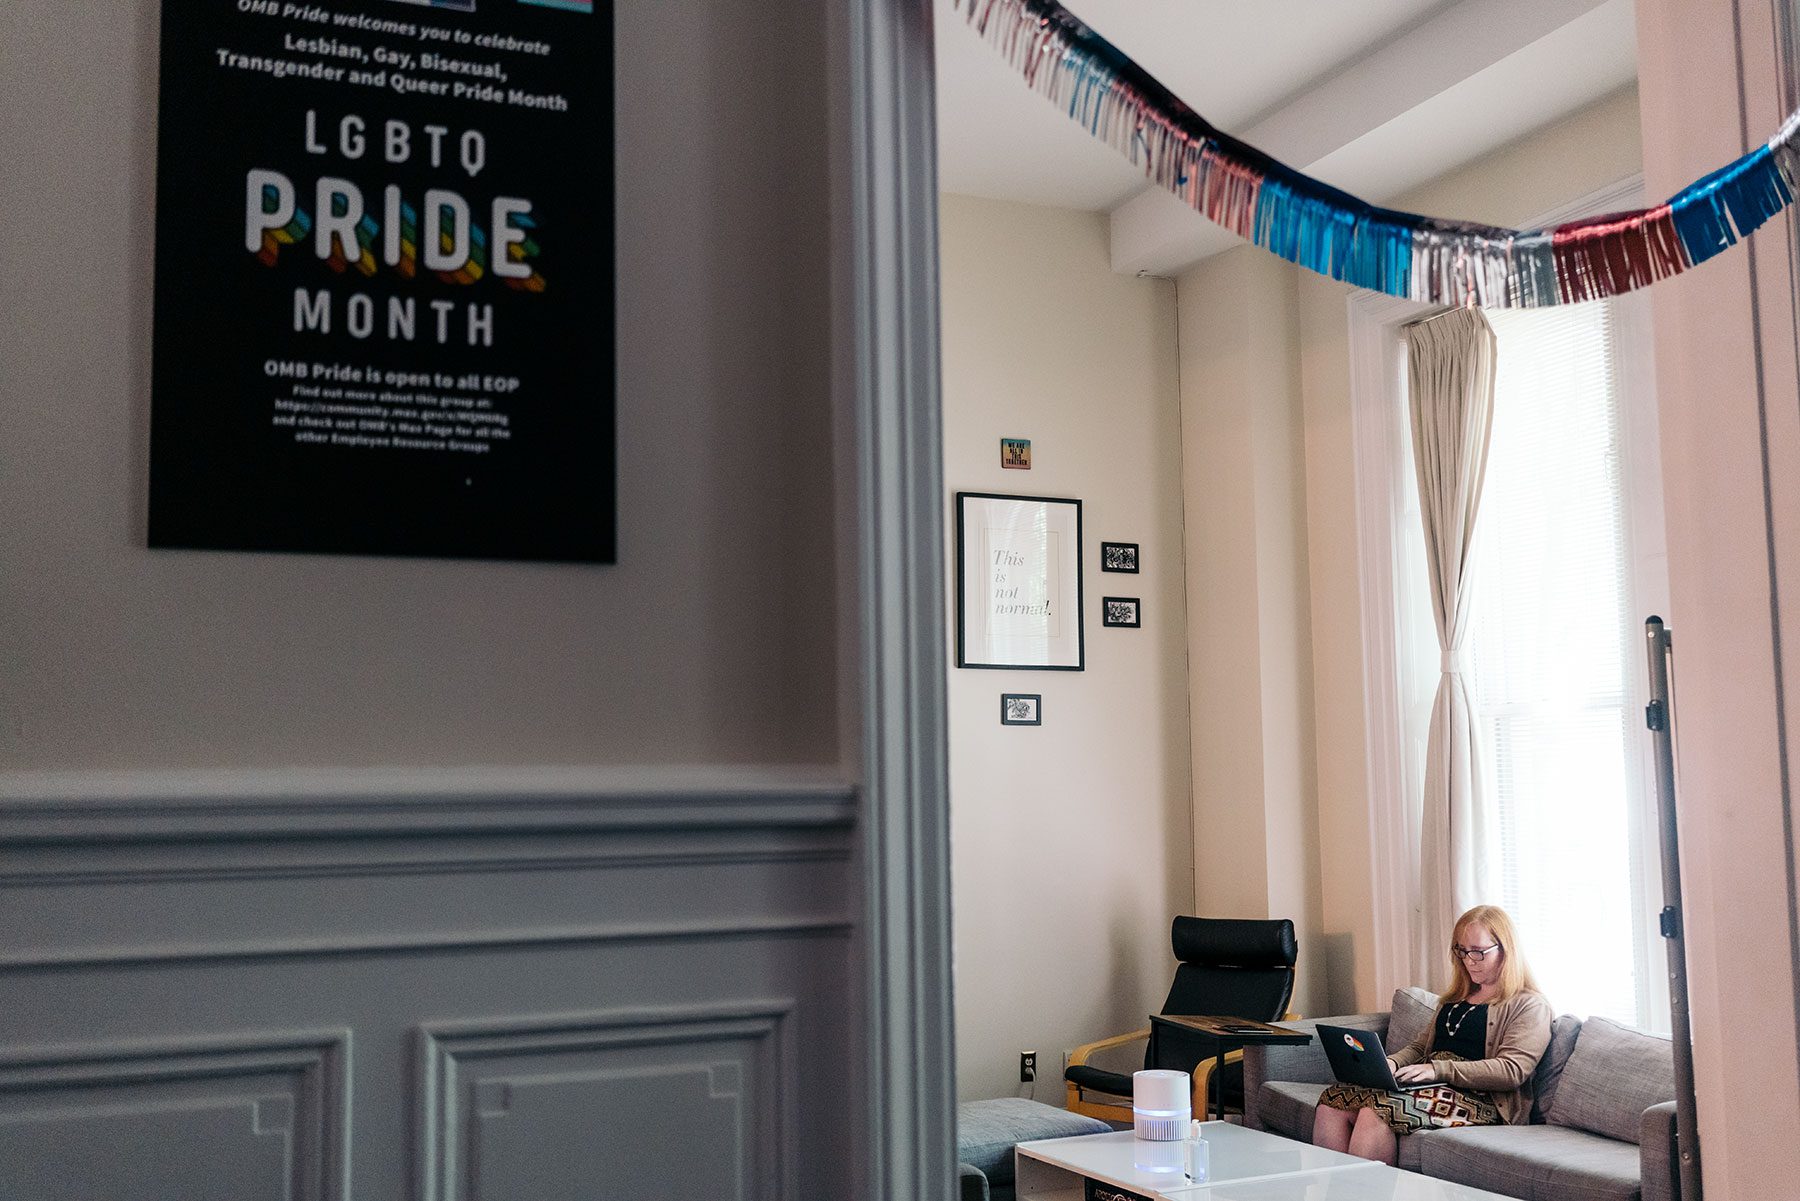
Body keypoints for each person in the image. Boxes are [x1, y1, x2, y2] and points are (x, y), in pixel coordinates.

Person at [1310, 904, 1553, 1165]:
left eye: (1479, 952)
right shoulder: (1456, 998)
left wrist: (1438, 1070)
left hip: (1480, 1098)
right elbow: (1419, 1047)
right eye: (1462, 951)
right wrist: (1390, 1062)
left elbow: (1511, 1070)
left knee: (1376, 1112)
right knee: (1333, 1101)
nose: (1469, 960)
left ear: (1506, 950)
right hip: (1431, 1084)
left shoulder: (1530, 1005)